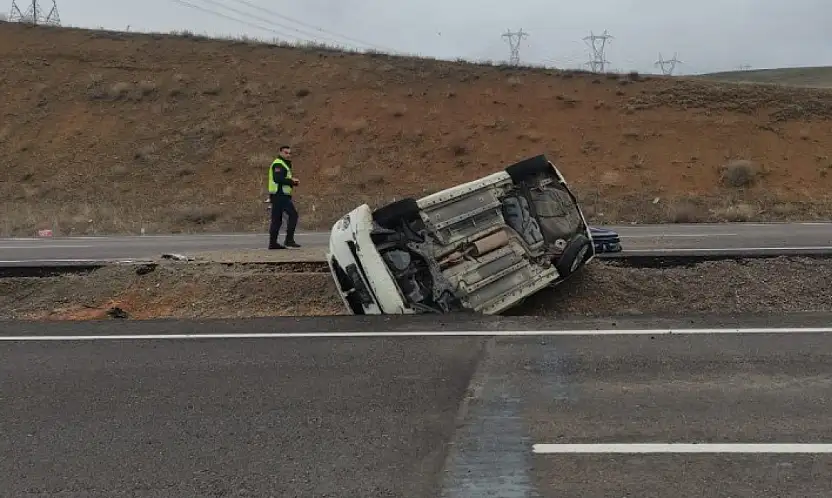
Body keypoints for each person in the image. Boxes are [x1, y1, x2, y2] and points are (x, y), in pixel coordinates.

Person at [267, 145, 300, 249]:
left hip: (279, 195)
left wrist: (292, 183)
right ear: (280, 152)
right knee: (293, 215)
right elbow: (278, 178)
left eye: (289, 153)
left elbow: (282, 178)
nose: (288, 155)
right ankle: (288, 240)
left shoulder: (283, 164)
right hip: (280, 195)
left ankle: (273, 243)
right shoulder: (278, 163)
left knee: (277, 220)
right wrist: (291, 181)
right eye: (286, 153)